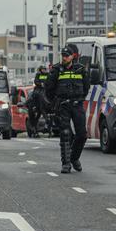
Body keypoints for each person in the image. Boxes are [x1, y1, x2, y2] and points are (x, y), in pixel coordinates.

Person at [45, 45, 89, 174]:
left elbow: (86, 87)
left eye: (66, 55)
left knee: (82, 134)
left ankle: (74, 158)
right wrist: (55, 102)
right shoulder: (56, 70)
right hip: (63, 105)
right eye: (62, 55)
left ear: (72, 56)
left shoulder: (81, 69)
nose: (64, 58)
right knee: (65, 134)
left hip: (77, 104)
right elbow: (49, 89)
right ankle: (66, 164)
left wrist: (79, 98)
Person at [25, 65, 51, 138]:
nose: (44, 70)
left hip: (46, 89)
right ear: (40, 70)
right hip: (39, 89)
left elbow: (50, 80)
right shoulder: (38, 75)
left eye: (45, 69)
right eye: (43, 69)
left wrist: (47, 85)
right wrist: (40, 84)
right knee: (36, 94)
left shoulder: (48, 74)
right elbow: (36, 81)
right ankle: (33, 105)